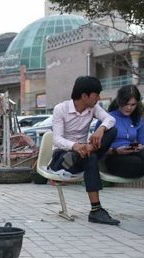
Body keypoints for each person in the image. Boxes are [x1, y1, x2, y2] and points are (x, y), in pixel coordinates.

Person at [49, 76, 120, 225]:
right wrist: (76, 146)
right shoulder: (60, 109)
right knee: (87, 157)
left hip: (86, 152)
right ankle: (96, 210)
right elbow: (57, 139)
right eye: (96, 94)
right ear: (84, 96)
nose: (99, 98)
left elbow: (110, 120)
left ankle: (96, 210)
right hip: (63, 154)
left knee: (112, 131)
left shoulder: (93, 107)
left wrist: (101, 128)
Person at [102, 86, 144, 223]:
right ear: (119, 102)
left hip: (132, 156)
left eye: (133, 104)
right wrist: (116, 150)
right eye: (125, 104)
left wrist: (136, 147)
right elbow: (98, 148)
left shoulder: (138, 119)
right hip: (114, 159)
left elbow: (143, 144)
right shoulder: (108, 118)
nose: (129, 108)